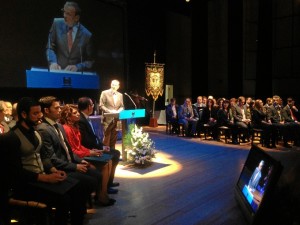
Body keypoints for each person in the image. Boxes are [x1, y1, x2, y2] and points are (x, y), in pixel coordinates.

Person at [3, 97, 86, 225]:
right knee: (63, 199)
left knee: (79, 187)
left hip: (42, 177)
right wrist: (45, 178)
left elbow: (44, 156)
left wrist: (54, 170)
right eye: (35, 113)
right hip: (26, 184)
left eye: (40, 112)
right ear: (23, 114)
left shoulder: (35, 132)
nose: (39, 116)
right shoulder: (11, 137)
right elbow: (15, 173)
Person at [37, 96, 100, 212]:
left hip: (69, 163)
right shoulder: (44, 129)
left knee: (95, 173)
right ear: (46, 111)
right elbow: (52, 159)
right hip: (61, 168)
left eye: (60, 107)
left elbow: (69, 151)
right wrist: (75, 166)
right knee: (90, 181)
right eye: (56, 108)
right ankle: (77, 210)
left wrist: (80, 161)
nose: (59, 110)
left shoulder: (58, 126)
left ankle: (80, 208)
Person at [60, 104, 116, 206]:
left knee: (109, 160)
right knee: (105, 164)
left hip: (82, 153)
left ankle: (102, 193)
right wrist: (89, 152)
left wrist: (91, 150)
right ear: (68, 117)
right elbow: (73, 150)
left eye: (77, 112)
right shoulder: (67, 129)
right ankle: (101, 196)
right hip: (78, 158)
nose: (78, 114)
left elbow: (80, 146)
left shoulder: (74, 126)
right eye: (75, 113)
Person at [78, 97, 120, 193]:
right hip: (89, 150)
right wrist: (101, 148)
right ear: (89, 107)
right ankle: (106, 186)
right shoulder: (81, 120)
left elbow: (93, 137)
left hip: (94, 147)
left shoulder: (85, 117)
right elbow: (86, 141)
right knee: (114, 155)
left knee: (116, 153)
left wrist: (102, 145)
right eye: (92, 105)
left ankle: (109, 183)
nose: (93, 107)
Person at [46, 1, 94, 72]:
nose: (65, 16)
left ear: (76, 18)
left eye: (68, 14)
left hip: (76, 77)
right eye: (64, 12)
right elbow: (50, 47)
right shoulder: (56, 24)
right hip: (57, 72)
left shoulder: (86, 35)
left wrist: (78, 67)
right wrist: (53, 62)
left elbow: (91, 61)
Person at [99, 79, 124, 149]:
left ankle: (113, 154)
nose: (114, 86)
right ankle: (105, 155)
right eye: (112, 84)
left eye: (115, 85)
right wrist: (110, 111)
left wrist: (118, 111)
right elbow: (101, 105)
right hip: (107, 119)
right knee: (107, 138)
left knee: (114, 139)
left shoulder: (120, 95)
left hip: (117, 119)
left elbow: (122, 106)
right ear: (110, 84)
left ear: (118, 86)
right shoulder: (104, 93)